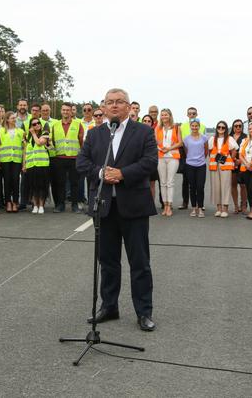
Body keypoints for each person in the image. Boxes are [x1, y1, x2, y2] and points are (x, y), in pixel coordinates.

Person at [77, 87, 158, 332]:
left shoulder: (143, 132)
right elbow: (83, 162)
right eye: (109, 102)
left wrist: (123, 173)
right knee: (108, 261)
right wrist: (102, 173)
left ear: (129, 106)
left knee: (140, 262)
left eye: (119, 102)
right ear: (103, 106)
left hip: (134, 206)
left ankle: (144, 312)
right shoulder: (95, 134)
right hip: (104, 207)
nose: (113, 106)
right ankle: (109, 307)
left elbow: (150, 161)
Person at [50, 102, 84, 213]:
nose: (65, 112)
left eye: (68, 110)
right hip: (59, 158)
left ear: (71, 111)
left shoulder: (78, 124)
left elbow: (81, 141)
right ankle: (60, 205)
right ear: (61, 111)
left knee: (75, 183)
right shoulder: (55, 125)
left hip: (74, 158)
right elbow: (52, 141)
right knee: (60, 182)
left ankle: (74, 205)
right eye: (64, 110)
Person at [155, 109, 182, 217]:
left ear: (170, 116)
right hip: (161, 156)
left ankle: (169, 206)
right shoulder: (158, 128)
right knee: (163, 182)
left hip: (173, 157)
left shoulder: (176, 127)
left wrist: (169, 148)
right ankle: (165, 204)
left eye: (166, 114)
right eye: (162, 115)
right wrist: (161, 148)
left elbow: (180, 142)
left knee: (170, 182)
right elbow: (155, 141)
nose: (164, 116)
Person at [208, 121, 238, 217]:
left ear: (226, 129)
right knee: (216, 187)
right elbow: (209, 152)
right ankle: (218, 209)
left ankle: (225, 209)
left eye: (223, 127)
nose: (221, 129)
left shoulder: (230, 139)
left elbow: (234, 151)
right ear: (216, 128)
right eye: (219, 127)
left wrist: (232, 160)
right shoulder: (212, 139)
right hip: (215, 165)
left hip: (226, 165)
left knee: (225, 187)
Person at [179, 107, 206, 210]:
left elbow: (205, 146)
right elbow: (182, 142)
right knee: (186, 181)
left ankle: (200, 204)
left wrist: (202, 156)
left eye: (193, 113)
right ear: (187, 115)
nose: (192, 115)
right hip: (186, 155)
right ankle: (185, 202)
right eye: (190, 113)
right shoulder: (182, 126)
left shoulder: (202, 126)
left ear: (196, 114)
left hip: (198, 156)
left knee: (199, 185)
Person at [0, 111, 26, 212]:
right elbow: (0, 147)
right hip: (5, 160)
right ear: (7, 120)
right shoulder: (1, 131)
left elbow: (24, 148)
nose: (14, 120)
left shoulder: (21, 131)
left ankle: (15, 202)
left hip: (16, 160)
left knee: (15, 180)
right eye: (12, 118)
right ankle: (8, 203)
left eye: (15, 118)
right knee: (7, 181)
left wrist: (24, 162)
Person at [24, 117, 51, 214]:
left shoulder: (45, 134)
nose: (37, 125)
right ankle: (35, 205)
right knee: (33, 186)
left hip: (42, 164)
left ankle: (41, 205)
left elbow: (39, 143)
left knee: (42, 186)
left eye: (38, 123)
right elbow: (26, 151)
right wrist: (24, 164)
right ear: (31, 126)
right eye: (34, 124)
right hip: (31, 165)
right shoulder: (28, 136)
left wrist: (33, 133)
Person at [182, 119, 209, 218]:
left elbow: (206, 151)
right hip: (190, 165)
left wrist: (201, 159)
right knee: (192, 187)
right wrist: (191, 159)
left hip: (201, 165)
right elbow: (186, 151)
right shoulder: (186, 139)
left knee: (200, 187)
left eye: (196, 126)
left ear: (199, 126)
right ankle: (194, 208)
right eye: (192, 126)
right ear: (190, 126)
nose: (194, 127)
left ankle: (200, 208)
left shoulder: (204, 138)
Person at [230, 119, 247, 214]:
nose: (238, 128)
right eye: (236, 126)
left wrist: (240, 160)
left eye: (240, 126)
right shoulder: (228, 137)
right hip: (231, 163)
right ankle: (236, 206)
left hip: (242, 163)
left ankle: (243, 205)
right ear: (233, 127)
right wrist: (233, 160)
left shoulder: (246, 137)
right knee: (233, 185)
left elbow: (248, 151)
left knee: (243, 185)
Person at [142, 115, 160, 201]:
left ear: (152, 123)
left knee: (152, 184)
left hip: (151, 161)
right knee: (142, 184)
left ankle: (151, 203)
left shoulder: (154, 133)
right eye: (145, 121)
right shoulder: (138, 132)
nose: (146, 123)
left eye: (149, 121)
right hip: (141, 162)